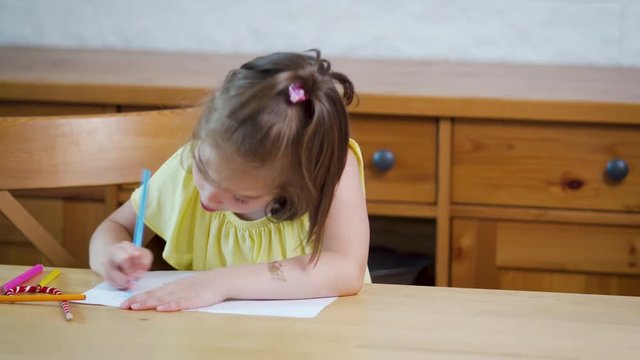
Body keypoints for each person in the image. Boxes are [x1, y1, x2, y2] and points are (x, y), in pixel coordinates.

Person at [88, 49, 370, 312]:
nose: (209, 197)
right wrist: (111, 257)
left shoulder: (329, 171)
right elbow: (114, 226)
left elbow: (346, 269)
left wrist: (221, 282)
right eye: (203, 170)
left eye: (240, 197)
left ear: (294, 184)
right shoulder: (191, 160)